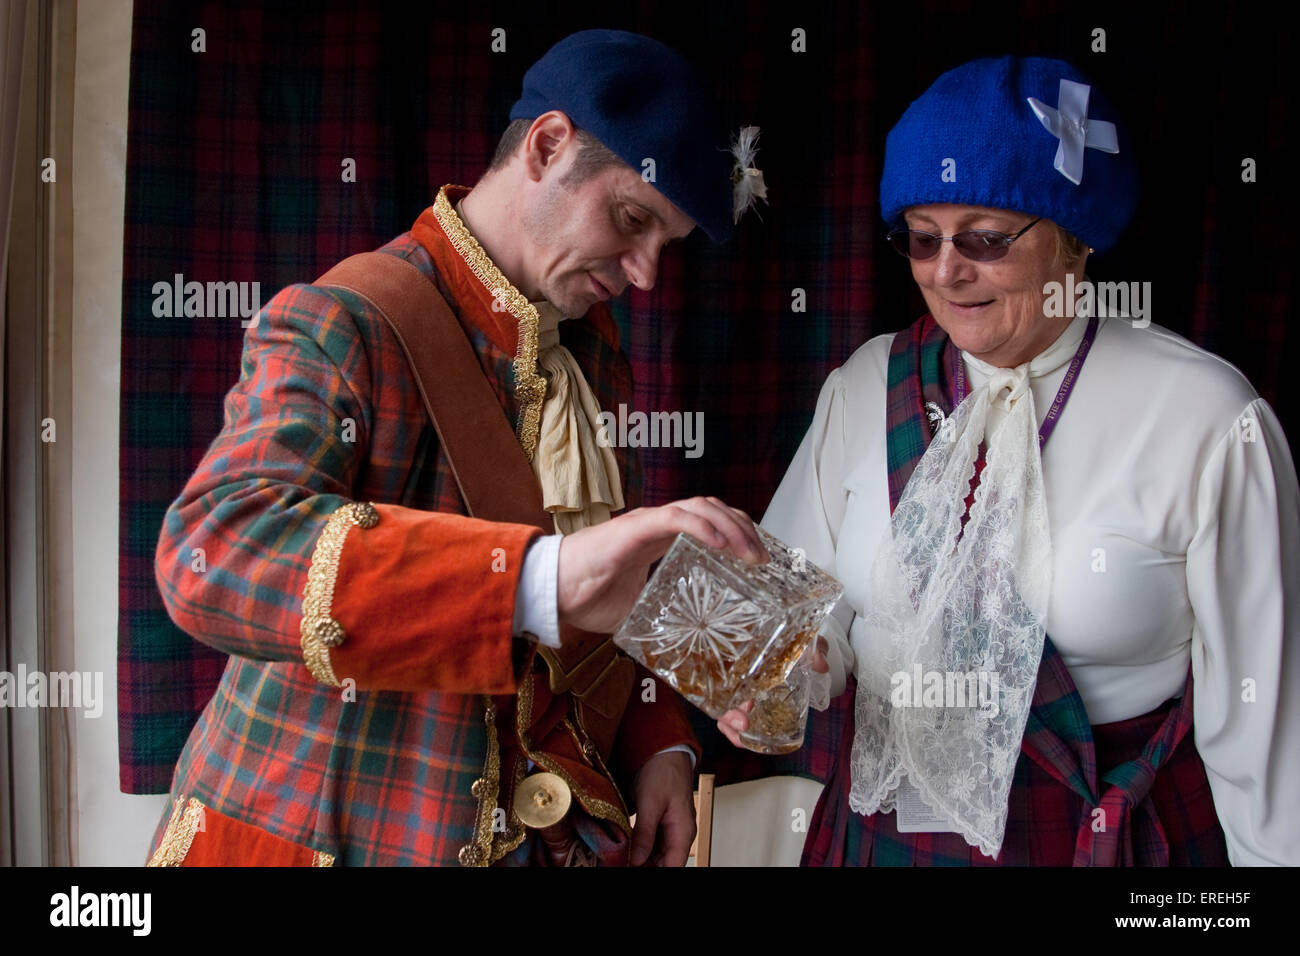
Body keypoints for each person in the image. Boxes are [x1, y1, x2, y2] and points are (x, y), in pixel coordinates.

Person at [148, 29, 769, 867]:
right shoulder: (345, 318)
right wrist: (536, 579)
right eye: (632, 220)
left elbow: (601, 602)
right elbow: (213, 550)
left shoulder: (589, 353)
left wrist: (659, 741)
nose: (646, 274)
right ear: (547, 146)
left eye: (667, 244)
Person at [719, 55, 1300, 865]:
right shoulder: (866, 384)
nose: (946, 271)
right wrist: (788, 664)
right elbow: (798, 607)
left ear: (1074, 240)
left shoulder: (1207, 414)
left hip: (1096, 836)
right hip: (886, 838)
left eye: (985, 239)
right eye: (921, 238)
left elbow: (1266, 720)